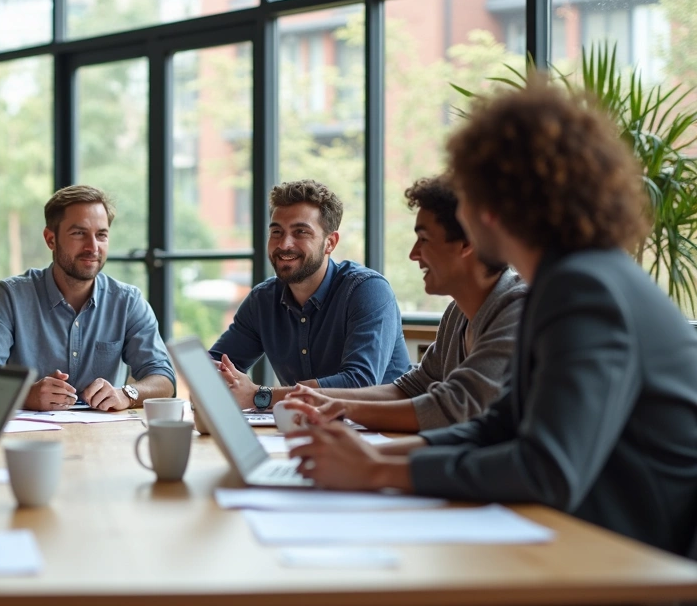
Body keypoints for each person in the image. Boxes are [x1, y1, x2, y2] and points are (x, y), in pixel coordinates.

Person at [285, 80, 697, 557]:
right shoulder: (574, 278)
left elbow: (548, 469)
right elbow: (495, 427)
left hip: (640, 564)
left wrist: (378, 472)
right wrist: (371, 454)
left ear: (494, 205)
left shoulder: (584, 289)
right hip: (602, 544)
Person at [236, 176, 525, 432]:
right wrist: (315, 401)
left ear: (468, 243)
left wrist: (343, 416)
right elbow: (412, 388)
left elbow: (451, 409)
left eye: (423, 239)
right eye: (277, 231)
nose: (413, 254)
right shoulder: (457, 314)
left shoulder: (517, 308)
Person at [0, 185, 175, 411]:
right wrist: (24, 395)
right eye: (79, 233)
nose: (93, 247)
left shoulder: (128, 302)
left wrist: (127, 394)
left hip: (105, 439)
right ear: (50, 239)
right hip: (29, 440)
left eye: (101, 235)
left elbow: (164, 379)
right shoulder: (11, 297)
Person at [209, 180, 411, 413]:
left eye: (300, 232)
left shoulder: (367, 290)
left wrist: (259, 395)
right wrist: (215, 378)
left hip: (381, 432)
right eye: (276, 232)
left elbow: (359, 382)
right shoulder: (262, 300)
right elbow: (216, 363)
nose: (284, 244)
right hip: (305, 430)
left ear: (330, 243)